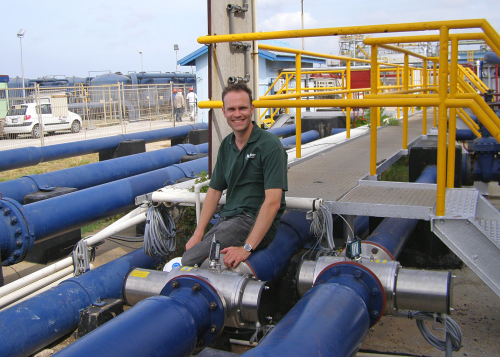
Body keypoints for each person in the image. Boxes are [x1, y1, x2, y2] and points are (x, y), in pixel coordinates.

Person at [182, 83, 288, 269]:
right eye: (231, 109)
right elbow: (215, 191)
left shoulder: (269, 145)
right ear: (223, 112)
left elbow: (273, 202)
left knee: (189, 260)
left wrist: (247, 247)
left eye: (242, 108)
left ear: (252, 109)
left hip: (252, 220)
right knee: (199, 252)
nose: (237, 114)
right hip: (229, 219)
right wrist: (198, 233)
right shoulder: (226, 145)